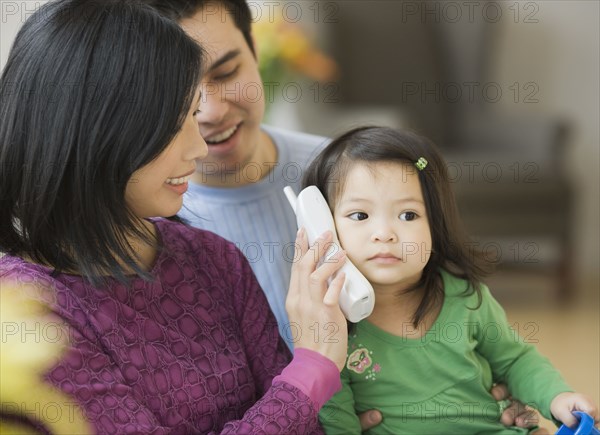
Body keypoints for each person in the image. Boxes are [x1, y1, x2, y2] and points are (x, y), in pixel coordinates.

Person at [139, 0, 553, 430]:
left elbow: (467, 324)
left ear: (257, 54)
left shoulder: (353, 174)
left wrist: (458, 400)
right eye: (180, 91)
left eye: (226, 73)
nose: (212, 110)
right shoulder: (142, 222)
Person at [0, 1, 349, 432]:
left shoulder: (213, 259)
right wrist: (312, 368)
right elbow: (296, 402)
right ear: (95, 131)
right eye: (173, 122)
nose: (199, 148)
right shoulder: (24, 310)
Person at [303, 126, 599, 433]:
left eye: (408, 215)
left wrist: (557, 396)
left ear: (436, 221)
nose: (384, 234)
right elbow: (337, 418)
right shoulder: (330, 327)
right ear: (322, 225)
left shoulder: (465, 297)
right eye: (360, 215)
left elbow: (515, 361)